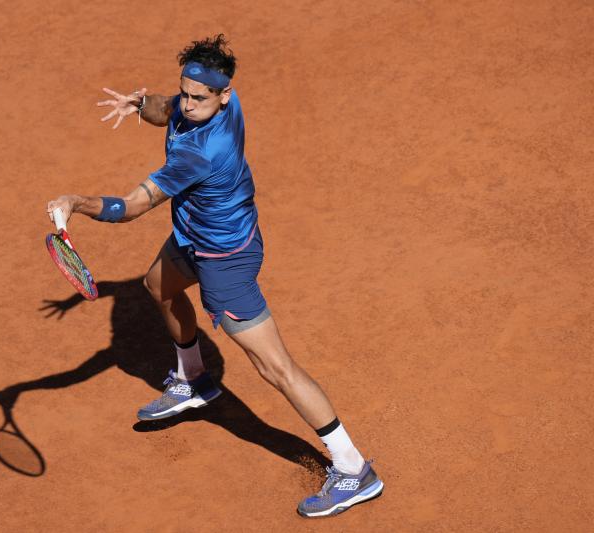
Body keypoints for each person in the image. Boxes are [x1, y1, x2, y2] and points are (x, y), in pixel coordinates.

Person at [46, 34, 383, 518]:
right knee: (157, 287)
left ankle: (353, 469)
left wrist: (74, 202)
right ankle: (194, 379)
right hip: (195, 236)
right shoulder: (216, 98)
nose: (188, 103)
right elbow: (167, 109)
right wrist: (142, 103)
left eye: (198, 97)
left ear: (222, 96)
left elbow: (132, 207)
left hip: (224, 261)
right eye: (185, 91)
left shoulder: (200, 153)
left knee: (276, 368)